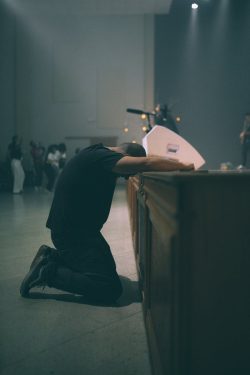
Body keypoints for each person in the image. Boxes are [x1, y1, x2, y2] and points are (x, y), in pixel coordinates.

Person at [20, 142, 194, 303]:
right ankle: (47, 272)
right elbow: (147, 163)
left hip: (76, 231)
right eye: (128, 174)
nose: (126, 178)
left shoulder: (97, 154)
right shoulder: (104, 158)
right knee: (109, 287)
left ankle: (50, 256)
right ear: (127, 157)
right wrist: (185, 166)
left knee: (106, 273)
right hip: (74, 235)